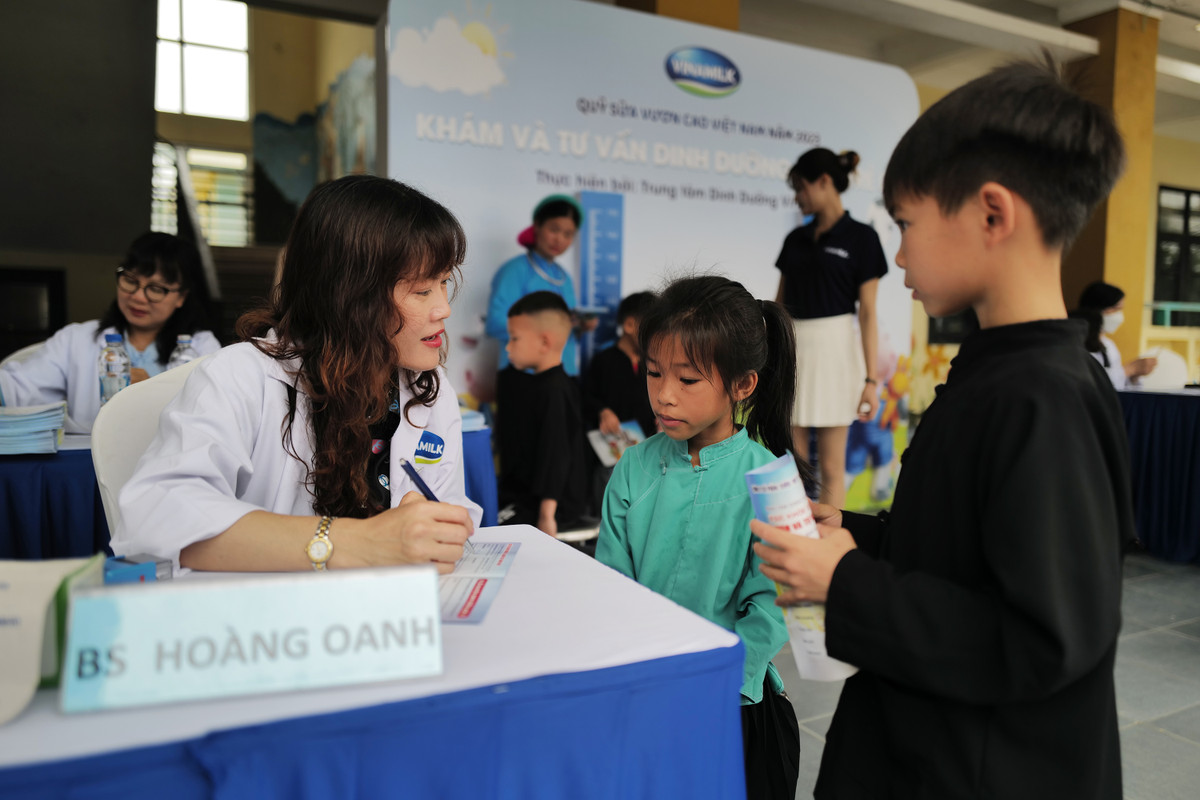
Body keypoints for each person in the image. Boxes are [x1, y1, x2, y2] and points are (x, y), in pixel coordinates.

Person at [751, 58, 1135, 798]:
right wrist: (857, 534)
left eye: (907, 224)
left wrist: (847, 583)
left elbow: (1041, 636)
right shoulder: (997, 371)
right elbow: (967, 550)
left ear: (992, 214)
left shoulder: (1043, 397)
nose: (896, 257)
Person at [113, 175, 481, 572]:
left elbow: (450, 506)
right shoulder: (240, 376)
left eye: (443, 283)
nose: (443, 308)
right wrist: (356, 542)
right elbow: (154, 517)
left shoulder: (428, 388)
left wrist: (437, 532)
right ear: (350, 294)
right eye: (422, 291)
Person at [596, 275, 803, 800]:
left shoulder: (772, 482)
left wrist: (723, 681)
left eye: (687, 380)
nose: (663, 395)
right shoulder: (633, 469)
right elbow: (610, 586)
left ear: (743, 385)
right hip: (643, 697)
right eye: (654, 372)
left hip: (731, 708)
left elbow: (773, 608)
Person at [0, 232, 220, 433]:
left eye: (155, 289)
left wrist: (154, 392)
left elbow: (213, 416)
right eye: (130, 281)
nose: (138, 297)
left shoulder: (203, 347)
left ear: (181, 296)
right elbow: (19, 388)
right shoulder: (77, 339)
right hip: (88, 465)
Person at [775, 147, 887, 508]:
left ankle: (831, 543)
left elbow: (868, 312)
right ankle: (792, 533)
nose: (797, 197)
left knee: (833, 468)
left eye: (800, 187)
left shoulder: (862, 239)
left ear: (824, 182)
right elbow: (778, 306)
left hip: (836, 351)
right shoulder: (794, 240)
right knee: (792, 463)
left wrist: (871, 381)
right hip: (794, 349)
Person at [496, 291, 589, 536]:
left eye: (514, 339)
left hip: (546, 507)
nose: (508, 347)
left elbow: (557, 453)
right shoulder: (536, 385)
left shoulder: (555, 390)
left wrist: (547, 515)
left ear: (544, 342)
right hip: (524, 496)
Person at [484, 194, 597, 376]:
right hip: (524, 377)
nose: (559, 239)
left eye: (568, 234)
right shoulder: (514, 271)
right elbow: (494, 323)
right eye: (554, 229)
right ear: (537, 226)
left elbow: (564, 329)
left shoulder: (564, 278)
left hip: (564, 374)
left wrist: (580, 326)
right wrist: (544, 327)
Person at [582, 290, 657, 438]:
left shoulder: (654, 363)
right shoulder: (604, 360)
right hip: (612, 446)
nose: (655, 336)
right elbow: (586, 398)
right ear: (629, 325)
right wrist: (602, 411)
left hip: (648, 447)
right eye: (651, 328)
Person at [1078, 280, 1157, 389]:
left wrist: (1134, 376)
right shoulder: (1077, 343)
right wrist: (1129, 369)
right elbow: (1090, 382)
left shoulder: (1109, 345)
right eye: (1115, 309)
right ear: (1097, 309)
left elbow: (1120, 386)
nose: (1119, 316)